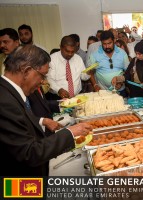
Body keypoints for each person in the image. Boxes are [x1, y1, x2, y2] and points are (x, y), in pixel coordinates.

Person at [0, 45, 92, 176]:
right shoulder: (5, 101)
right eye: (42, 76)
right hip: (19, 184)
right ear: (26, 71)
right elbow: (29, 153)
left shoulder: (10, 92)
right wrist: (69, 133)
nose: (43, 82)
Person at [46, 36, 90, 100]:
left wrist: (88, 73)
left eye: (72, 52)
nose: (70, 54)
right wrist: (59, 90)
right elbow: (49, 79)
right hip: (58, 97)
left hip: (76, 97)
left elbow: (83, 77)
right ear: (60, 47)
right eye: (67, 51)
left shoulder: (78, 58)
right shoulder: (52, 59)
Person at [88, 30, 129, 96]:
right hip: (102, 91)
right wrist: (95, 85)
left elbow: (128, 71)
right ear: (101, 43)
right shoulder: (94, 55)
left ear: (114, 41)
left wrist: (121, 81)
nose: (107, 46)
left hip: (120, 90)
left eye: (109, 43)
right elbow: (90, 72)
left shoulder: (122, 53)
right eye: (104, 44)